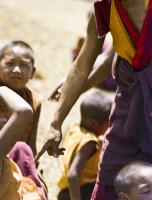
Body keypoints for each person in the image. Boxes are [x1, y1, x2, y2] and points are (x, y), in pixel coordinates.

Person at [36, 0, 152, 199]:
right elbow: (83, 66)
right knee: (111, 175)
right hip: (128, 115)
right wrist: (55, 123)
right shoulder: (105, 8)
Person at [57, 91, 112, 200]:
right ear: (93, 124)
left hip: (66, 191)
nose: (110, 126)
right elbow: (73, 175)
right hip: (79, 191)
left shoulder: (74, 130)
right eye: (108, 123)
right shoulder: (90, 143)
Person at [0, 40, 41, 157]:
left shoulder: (34, 101)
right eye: (10, 64)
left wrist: (33, 166)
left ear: (33, 72)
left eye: (24, 65)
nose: (17, 70)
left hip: (17, 160)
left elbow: (31, 144)